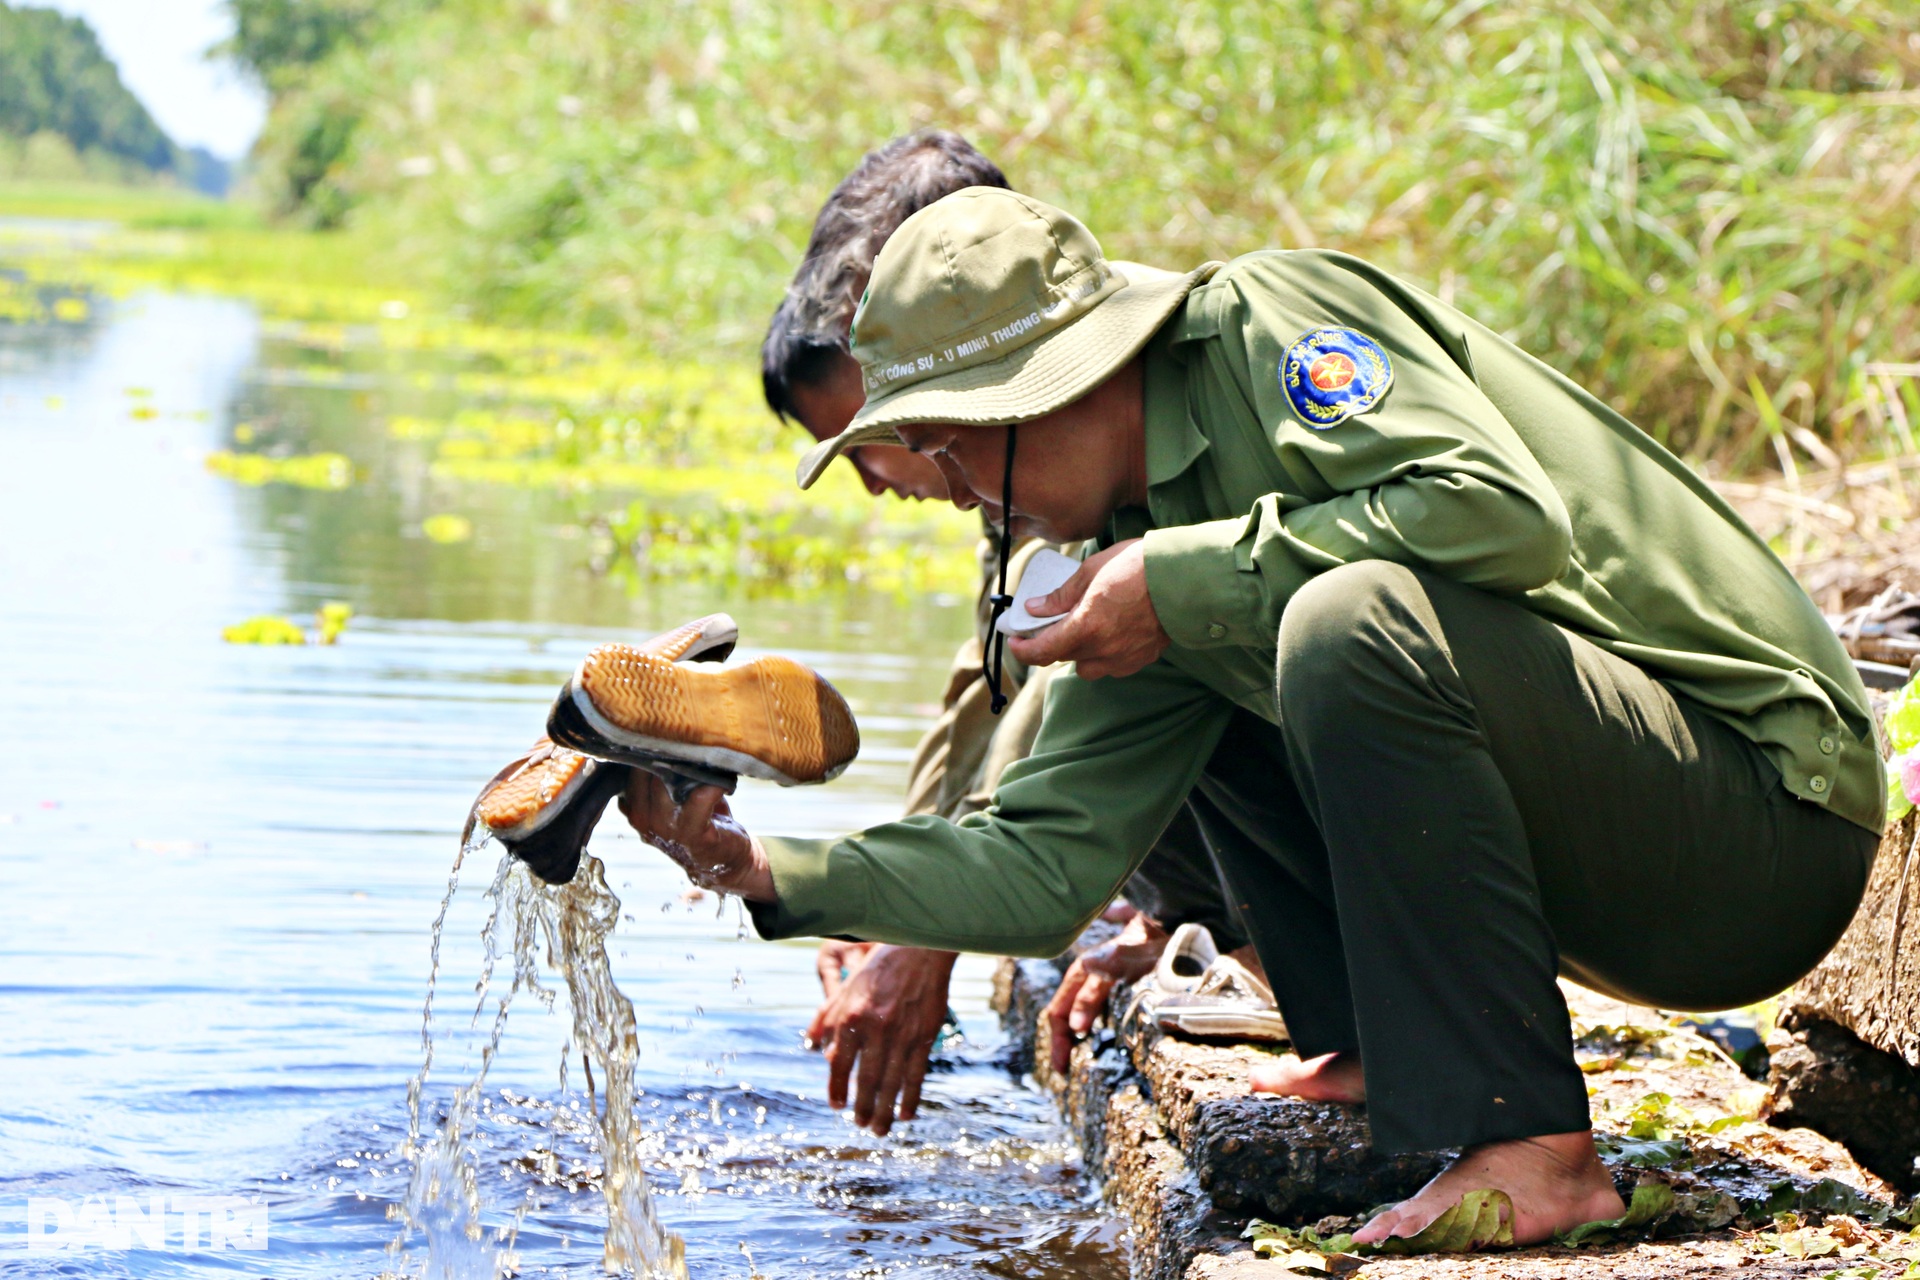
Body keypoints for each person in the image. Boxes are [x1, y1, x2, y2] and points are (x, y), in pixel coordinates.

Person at [620, 187, 1884, 1245]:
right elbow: (1037, 864)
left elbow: (1503, 512)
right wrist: (748, 864)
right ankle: (1377, 1042)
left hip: (1763, 819)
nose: (944, 491)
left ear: (1042, 388)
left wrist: (1182, 580)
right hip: (1626, 868)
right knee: (1242, 631)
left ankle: (1537, 1146)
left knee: (1340, 621)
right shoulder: (1139, 542)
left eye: (951, 447)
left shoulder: (1274, 329)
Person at [759, 133, 1254, 1134]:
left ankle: (1264, 943)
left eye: (881, 434)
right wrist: (894, 901)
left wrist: (926, 936)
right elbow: (979, 689)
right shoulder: (1014, 472)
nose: (878, 473)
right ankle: (1193, 915)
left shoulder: (1093, 451)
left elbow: (1046, 698)